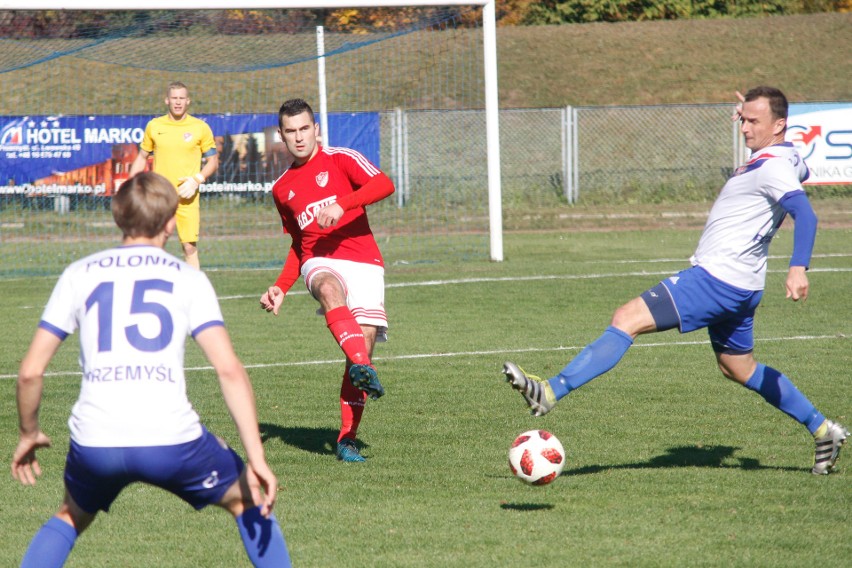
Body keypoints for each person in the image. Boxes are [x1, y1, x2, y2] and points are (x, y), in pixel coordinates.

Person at [503, 86, 848, 475]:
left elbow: (808, 215)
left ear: (779, 124)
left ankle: (550, 391)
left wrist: (798, 267)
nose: (744, 127)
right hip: (742, 285)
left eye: (754, 121)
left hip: (716, 279)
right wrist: (755, 113)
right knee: (739, 368)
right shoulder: (780, 157)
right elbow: (796, 162)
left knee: (627, 318)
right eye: (743, 118)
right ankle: (823, 429)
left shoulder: (774, 167)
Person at [11, 172, 291, 567]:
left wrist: (28, 433)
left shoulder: (79, 273)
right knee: (249, 498)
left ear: (117, 216)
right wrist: (257, 456)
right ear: (171, 222)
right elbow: (228, 369)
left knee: (70, 515)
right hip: (171, 438)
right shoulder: (188, 279)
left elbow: (30, 372)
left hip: (95, 441)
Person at [260, 98, 395, 463]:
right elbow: (298, 243)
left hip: (364, 260)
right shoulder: (282, 189)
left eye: (305, 128)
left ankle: (347, 439)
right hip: (320, 260)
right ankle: (364, 367)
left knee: (361, 346)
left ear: (316, 129)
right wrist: (281, 285)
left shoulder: (341, 158)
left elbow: (384, 184)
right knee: (327, 289)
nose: (299, 137)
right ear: (281, 135)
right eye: (291, 131)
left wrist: (344, 204)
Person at [128, 81, 219, 270]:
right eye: (174, 98)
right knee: (152, 244)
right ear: (167, 100)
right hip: (159, 197)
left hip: (187, 198)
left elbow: (213, 161)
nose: (178, 102)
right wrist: (130, 186)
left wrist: (196, 181)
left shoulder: (200, 127)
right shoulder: (154, 126)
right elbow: (142, 157)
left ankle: (193, 293)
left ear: (188, 101)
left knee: (189, 248)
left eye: (182, 98)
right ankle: (148, 287)